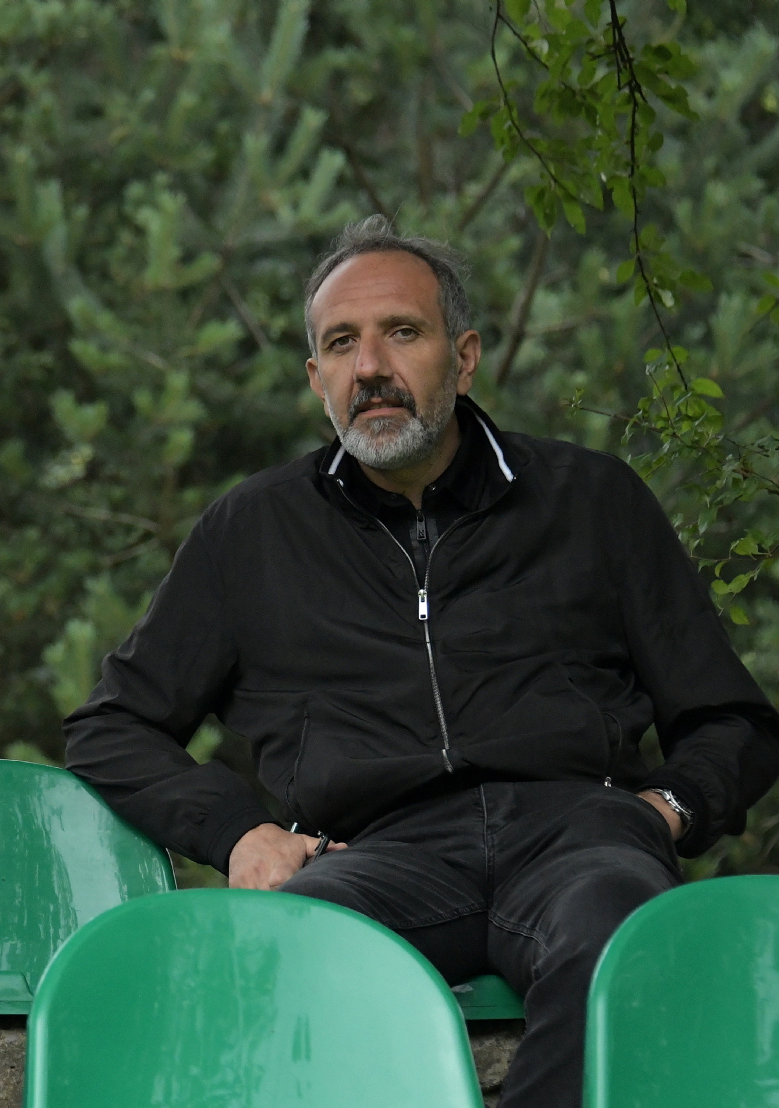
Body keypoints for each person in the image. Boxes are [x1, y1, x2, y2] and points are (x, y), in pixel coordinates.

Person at [63, 215, 779, 1108]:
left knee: (622, 947)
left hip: (578, 838)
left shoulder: (592, 501)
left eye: (401, 332)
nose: (370, 367)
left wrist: (668, 808)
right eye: (341, 343)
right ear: (316, 379)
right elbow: (111, 727)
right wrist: (239, 832)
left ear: (464, 357)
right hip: (374, 852)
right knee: (284, 961)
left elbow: (732, 720)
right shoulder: (250, 533)